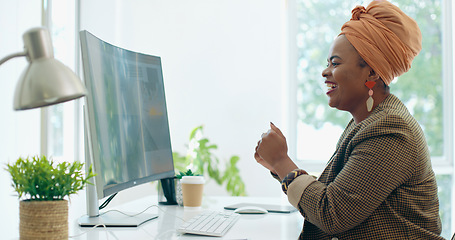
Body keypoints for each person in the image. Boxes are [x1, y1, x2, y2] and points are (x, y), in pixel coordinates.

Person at [254, 1, 443, 239]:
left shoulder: (390, 129)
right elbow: (342, 192)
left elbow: (333, 213)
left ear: (372, 72)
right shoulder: (367, 121)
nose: (325, 72)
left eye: (335, 63)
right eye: (327, 64)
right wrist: (279, 167)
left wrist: (283, 163)